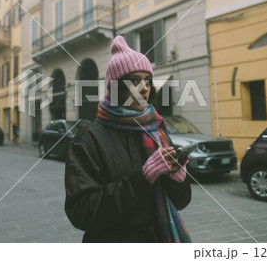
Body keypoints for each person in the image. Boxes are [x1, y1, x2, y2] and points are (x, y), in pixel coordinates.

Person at [64, 36, 192, 243]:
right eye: (134, 80)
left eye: (147, 80)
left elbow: (180, 202)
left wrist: (177, 179)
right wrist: (143, 178)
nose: (144, 88)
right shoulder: (88, 139)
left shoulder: (158, 131)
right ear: (116, 87)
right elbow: (81, 213)